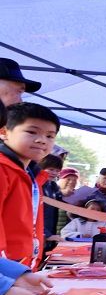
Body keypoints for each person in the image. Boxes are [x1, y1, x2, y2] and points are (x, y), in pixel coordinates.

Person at [0, 102, 59, 267]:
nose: (41, 140)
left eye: (50, 136)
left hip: (22, 267)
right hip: (7, 273)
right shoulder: (3, 169)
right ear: (4, 132)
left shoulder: (33, 176)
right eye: (31, 132)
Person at [38, 153, 64, 253]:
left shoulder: (54, 187)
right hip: (40, 236)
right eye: (51, 169)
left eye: (57, 170)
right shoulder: (36, 186)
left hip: (50, 236)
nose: (54, 173)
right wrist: (47, 235)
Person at [56, 167, 80, 232]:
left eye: (75, 180)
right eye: (68, 179)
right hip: (53, 233)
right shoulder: (53, 192)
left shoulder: (79, 195)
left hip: (71, 233)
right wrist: (61, 194)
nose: (71, 182)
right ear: (59, 179)